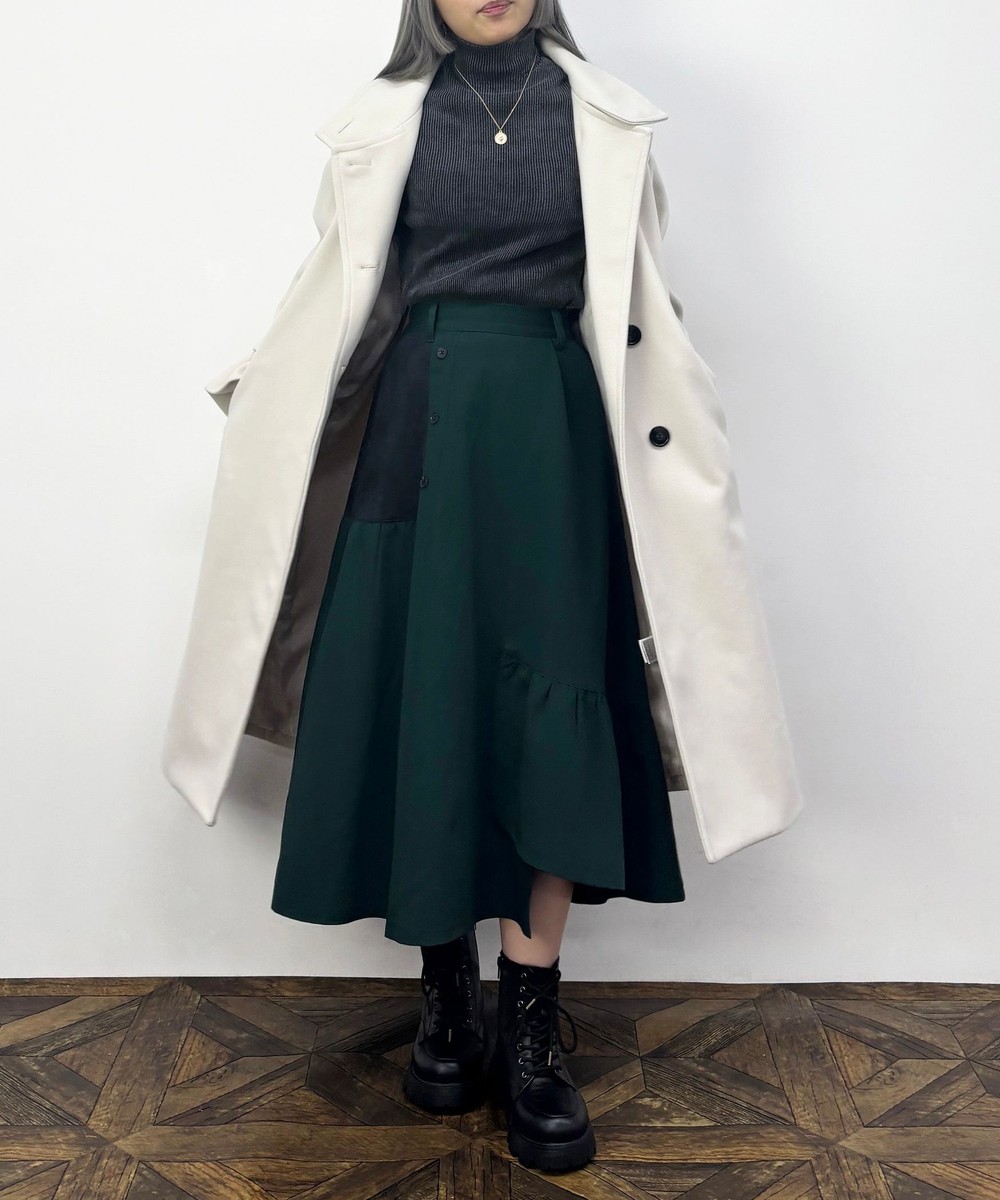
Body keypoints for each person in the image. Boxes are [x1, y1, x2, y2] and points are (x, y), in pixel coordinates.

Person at [261, 0, 687, 1173]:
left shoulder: (603, 116)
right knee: (431, 694)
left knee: (552, 703)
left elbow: (647, 304)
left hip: (551, 425)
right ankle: (447, 997)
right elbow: (337, 290)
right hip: (414, 422)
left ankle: (532, 1032)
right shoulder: (381, 117)